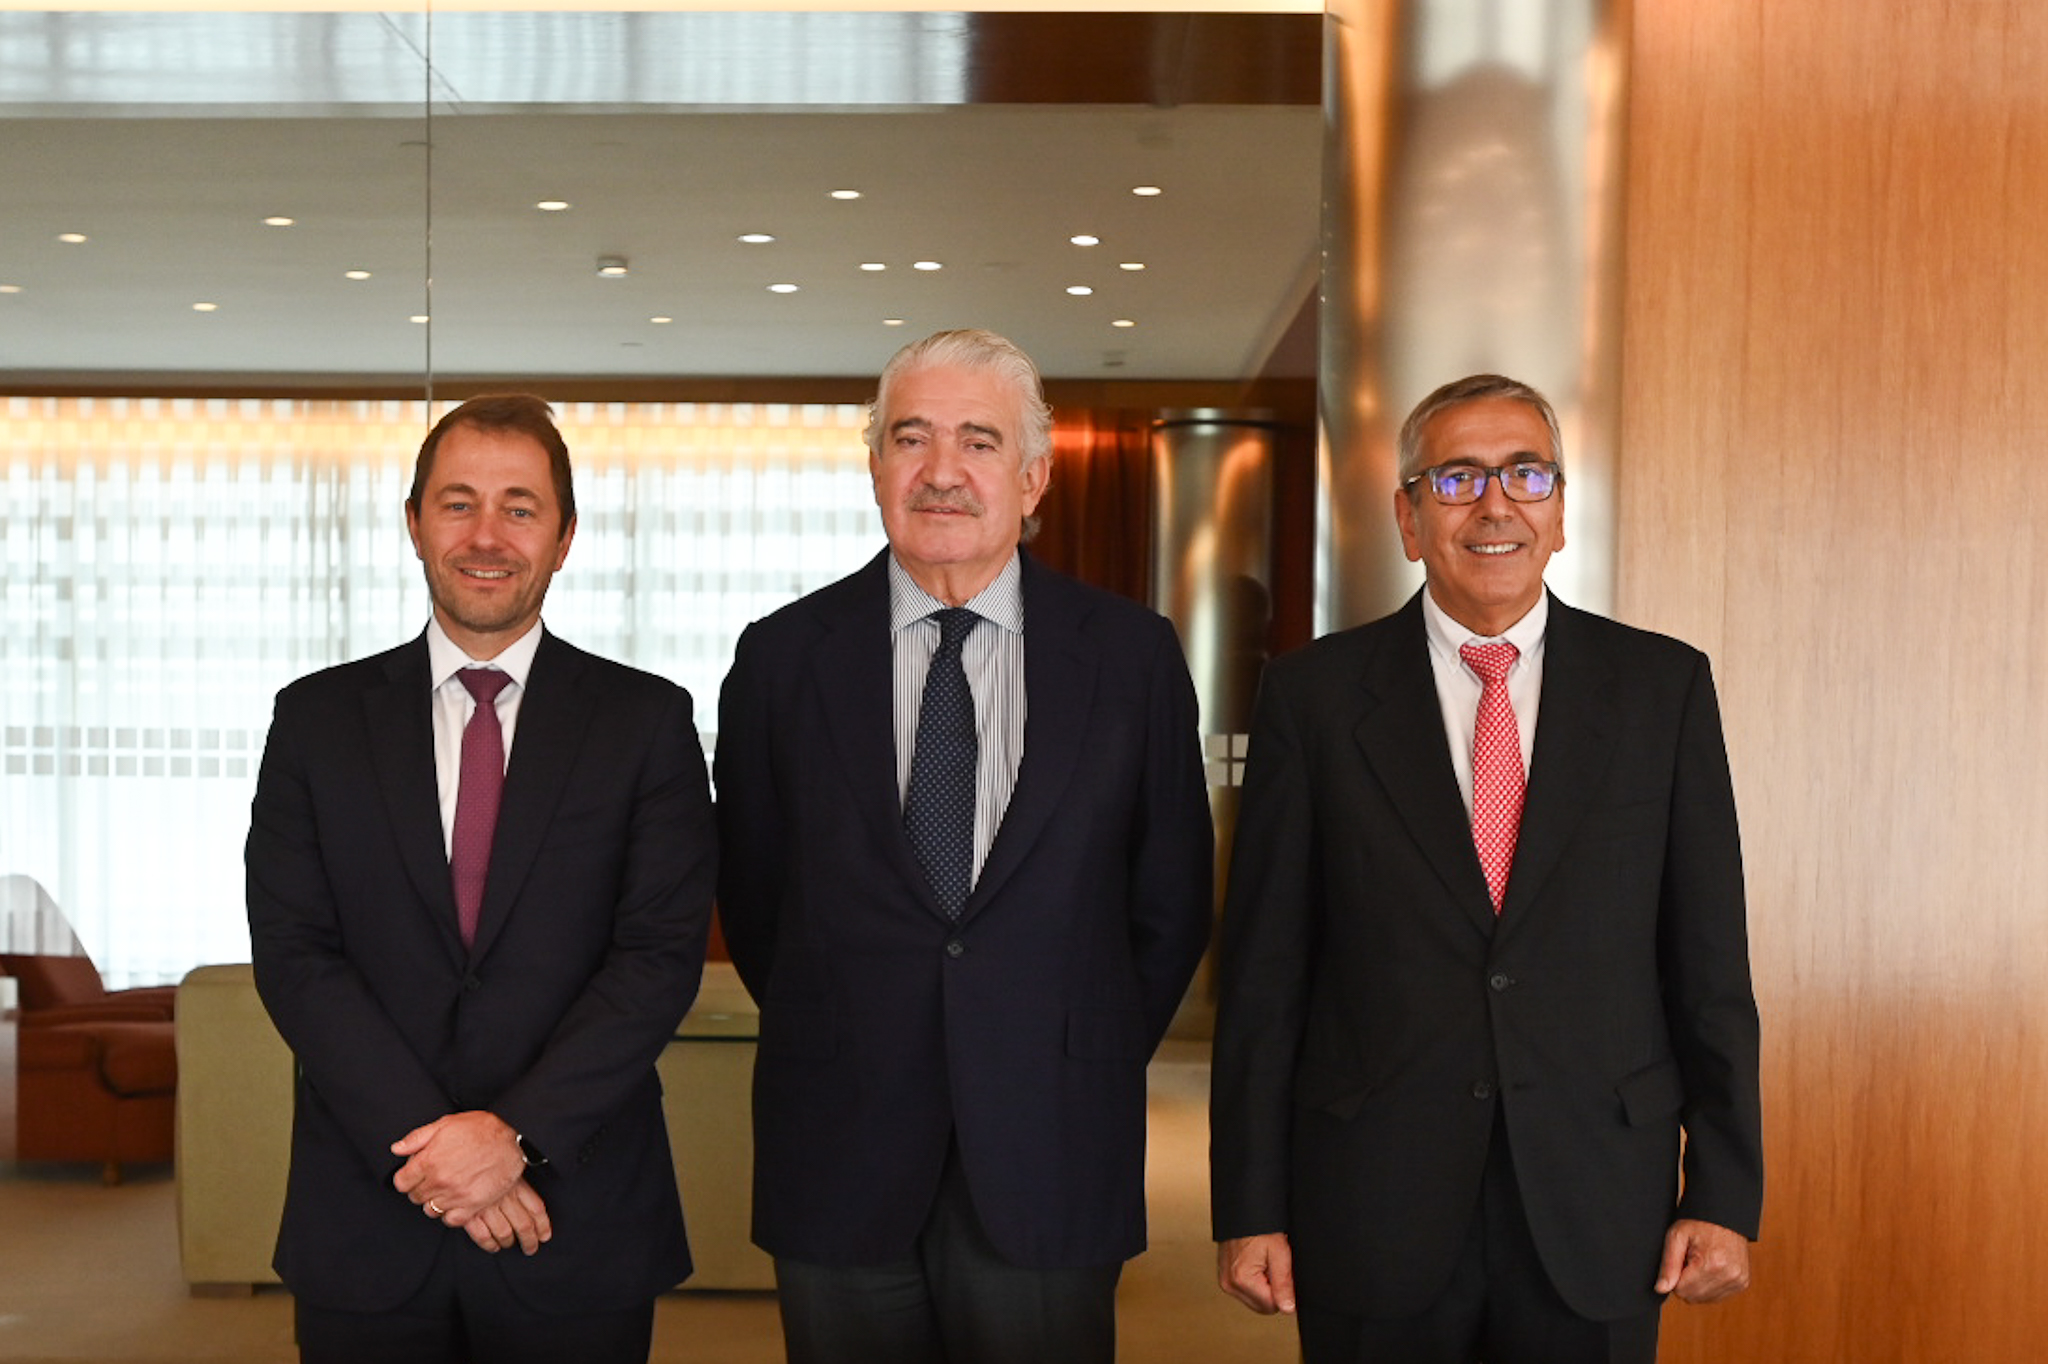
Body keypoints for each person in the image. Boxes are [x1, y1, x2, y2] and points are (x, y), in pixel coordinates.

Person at [1210, 374, 1763, 1363]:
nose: (1494, 502)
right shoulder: (1312, 696)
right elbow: (1264, 978)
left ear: (1558, 511)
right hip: (1371, 1196)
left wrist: (1722, 1191)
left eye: (1524, 473)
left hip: (1597, 1197)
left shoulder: (1660, 687)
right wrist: (1246, 1204)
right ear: (1408, 516)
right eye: (1456, 477)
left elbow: (1708, 965)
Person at [714, 328, 1214, 1364]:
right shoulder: (779, 658)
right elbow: (760, 899)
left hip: (1050, 1138)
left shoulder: (1130, 657)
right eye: (911, 437)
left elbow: (1167, 902)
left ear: (1032, 479)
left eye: (978, 441)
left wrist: (1071, 1046)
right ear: (874, 466)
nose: (941, 471)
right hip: (838, 1138)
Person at [246, 394, 716, 1364]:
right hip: (369, 1209)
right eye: (457, 503)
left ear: (565, 533)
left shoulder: (647, 722)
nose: (487, 534)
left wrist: (514, 1137)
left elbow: (655, 958)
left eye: (520, 505)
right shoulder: (315, 719)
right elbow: (296, 953)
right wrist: (442, 1150)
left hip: (574, 1209)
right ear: (412, 521)